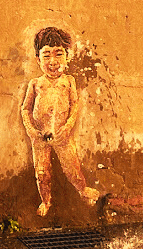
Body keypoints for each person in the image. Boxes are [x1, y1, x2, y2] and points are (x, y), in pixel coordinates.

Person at [21, 27, 98, 216]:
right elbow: (25, 109)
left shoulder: (69, 81)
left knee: (72, 167)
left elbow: (74, 105)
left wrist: (68, 125)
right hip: (40, 136)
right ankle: (46, 201)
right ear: (38, 59)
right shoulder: (35, 84)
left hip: (62, 134)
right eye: (46, 55)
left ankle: (82, 190)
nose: (53, 61)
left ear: (67, 56)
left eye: (58, 54)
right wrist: (31, 130)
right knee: (42, 172)